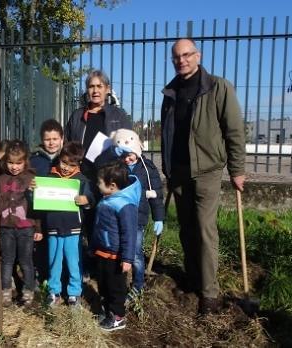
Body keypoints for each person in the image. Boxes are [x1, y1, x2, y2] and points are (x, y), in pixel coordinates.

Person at [160, 38, 246, 315]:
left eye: (186, 55)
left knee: (205, 231)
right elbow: (167, 133)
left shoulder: (218, 87)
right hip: (180, 172)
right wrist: (167, 168)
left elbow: (234, 130)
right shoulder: (170, 92)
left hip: (208, 170)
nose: (181, 60)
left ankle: (209, 293)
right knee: (186, 230)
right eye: (177, 57)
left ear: (198, 56)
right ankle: (193, 280)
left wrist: (237, 170)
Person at [96, 128, 165, 296]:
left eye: (130, 154)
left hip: (138, 219)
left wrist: (158, 218)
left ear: (137, 149)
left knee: (135, 253)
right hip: (117, 219)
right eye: (123, 155)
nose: (127, 159)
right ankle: (119, 279)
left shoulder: (147, 170)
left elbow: (156, 194)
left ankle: (138, 284)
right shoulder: (118, 168)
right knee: (120, 250)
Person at [33, 142, 95, 307]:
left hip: (74, 230)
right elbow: (39, 199)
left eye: (71, 164)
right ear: (59, 159)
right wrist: (35, 190)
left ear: (78, 164)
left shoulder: (82, 181)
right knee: (54, 261)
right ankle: (54, 292)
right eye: (64, 162)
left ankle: (74, 293)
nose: (66, 167)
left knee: (74, 262)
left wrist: (85, 200)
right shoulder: (49, 178)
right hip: (53, 228)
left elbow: (91, 200)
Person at [91, 161, 140, 331]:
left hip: (116, 256)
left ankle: (118, 317)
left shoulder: (125, 205)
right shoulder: (107, 199)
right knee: (103, 284)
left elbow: (129, 234)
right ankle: (107, 310)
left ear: (111, 186)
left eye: (99, 182)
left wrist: (127, 258)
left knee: (116, 287)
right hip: (103, 252)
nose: (97, 185)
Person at [0, 140, 43, 306]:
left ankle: (28, 291)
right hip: (6, 228)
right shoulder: (0, 181)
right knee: (7, 261)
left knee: (26, 261)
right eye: (10, 163)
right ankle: (5, 291)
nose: (14, 167)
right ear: (5, 161)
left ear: (25, 162)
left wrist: (38, 227)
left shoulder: (32, 179)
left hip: (26, 228)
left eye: (18, 163)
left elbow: (37, 205)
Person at [64, 69, 132, 180]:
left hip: (110, 177)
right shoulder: (77, 116)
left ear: (107, 89)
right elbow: (66, 144)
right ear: (87, 90)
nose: (95, 90)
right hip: (81, 176)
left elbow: (130, 144)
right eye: (91, 86)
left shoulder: (119, 115)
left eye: (99, 86)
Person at [29, 119, 64, 284]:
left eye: (55, 139)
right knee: (40, 243)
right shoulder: (34, 160)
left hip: (61, 212)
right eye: (47, 139)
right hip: (41, 212)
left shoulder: (67, 158)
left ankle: (58, 276)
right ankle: (40, 274)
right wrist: (29, 184)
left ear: (62, 139)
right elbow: (26, 179)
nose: (51, 143)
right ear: (42, 140)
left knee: (59, 244)